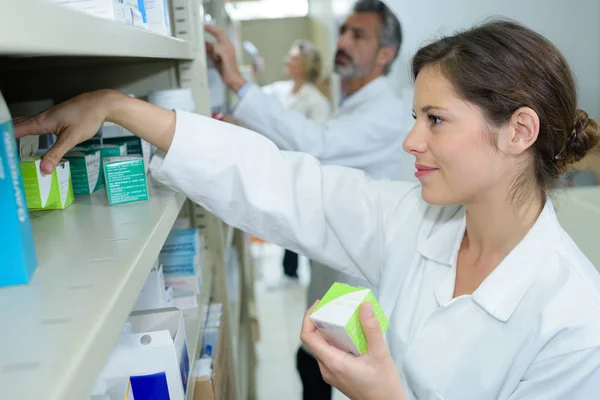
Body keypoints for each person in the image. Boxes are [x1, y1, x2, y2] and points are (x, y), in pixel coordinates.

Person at [16, 19, 600, 400]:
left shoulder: (576, 323)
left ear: (519, 131)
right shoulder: (414, 220)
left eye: (436, 121)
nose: (411, 142)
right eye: (414, 118)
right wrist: (120, 107)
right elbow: (283, 183)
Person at [206, 1, 406, 398]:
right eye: (344, 31)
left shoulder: (387, 113)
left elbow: (318, 147)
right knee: (312, 362)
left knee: (325, 370)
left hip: (359, 281)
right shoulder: (351, 106)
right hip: (335, 270)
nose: (343, 41)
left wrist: (238, 83)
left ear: (386, 55)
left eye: (358, 35)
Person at [261, 39, 331, 287]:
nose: (286, 61)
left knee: (306, 226)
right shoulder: (281, 90)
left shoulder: (317, 102)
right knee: (286, 224)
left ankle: (316, 277)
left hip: (304, 174)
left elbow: (318, 145)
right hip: (280, 170)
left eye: (293, 58)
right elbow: (257, 101)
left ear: (305, 65)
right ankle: (289, 273)